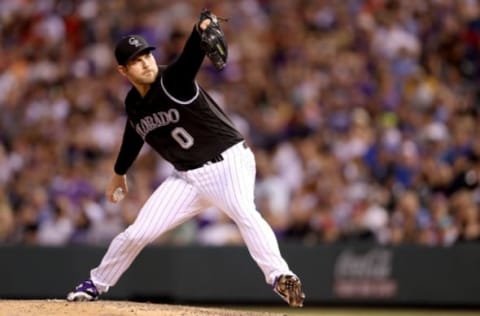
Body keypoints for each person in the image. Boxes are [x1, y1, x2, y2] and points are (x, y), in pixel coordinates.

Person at [66, 10, 305, 308]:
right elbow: (134, 134)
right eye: (136, 61)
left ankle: (280, 276)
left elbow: (190, 57)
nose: (146, 63)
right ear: (123, 71)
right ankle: (95, 284)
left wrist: (199, 29)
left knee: (244, 212)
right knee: (138, 233)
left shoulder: (173, 80)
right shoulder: (133, 103)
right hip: (187, 178)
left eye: (147, 56)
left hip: (227, 162)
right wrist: (118, 172)